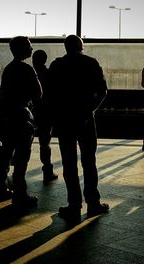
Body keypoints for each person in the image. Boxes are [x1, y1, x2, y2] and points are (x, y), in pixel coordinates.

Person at [48, 35, 109, 226]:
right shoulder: (91, 63)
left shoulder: (57, 65)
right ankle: (93, 202)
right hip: (84, 118)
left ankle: (74, 204)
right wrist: (90, 108)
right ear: (81, 46)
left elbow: (50, 93)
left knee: (69, 163)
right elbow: (103, 90)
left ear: (65, 47)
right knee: (89, 161)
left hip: (65, 119)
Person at [0, 36, 41, 207]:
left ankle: (1, 188)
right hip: (22, 117)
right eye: (29, 46)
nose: (32, 49)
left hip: (9, 118)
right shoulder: (27, 69)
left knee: (6, 154)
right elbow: (38, 93)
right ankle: (20, 194)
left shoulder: (8, 69)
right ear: (22, 49)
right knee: (22, 157)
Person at [32, 49, 58, 183]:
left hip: (32, 111)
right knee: (44, 143)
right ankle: (47, 171)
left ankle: (18, 172)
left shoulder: (29, 73)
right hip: (46, 112)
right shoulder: (49, 74)